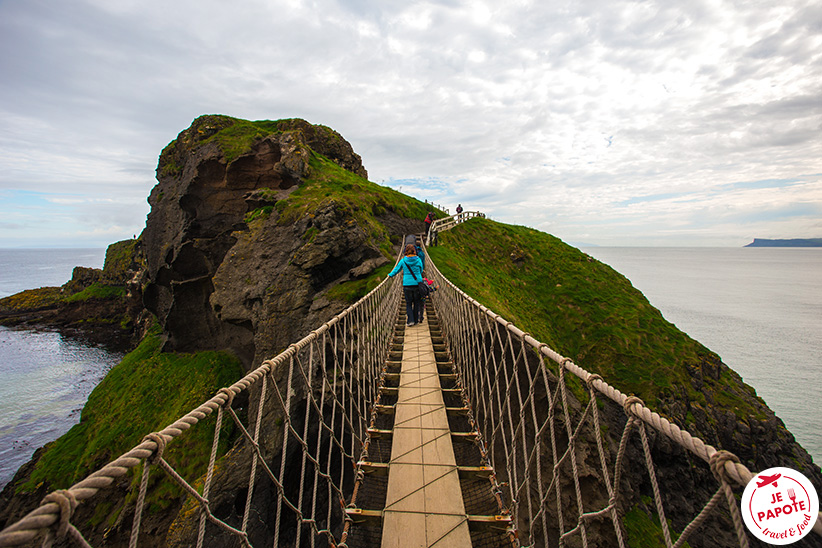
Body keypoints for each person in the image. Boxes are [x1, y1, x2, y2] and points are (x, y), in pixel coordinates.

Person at [388, 244, 424, 327]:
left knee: (408, 303)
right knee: (416, 303)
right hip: (417, 284)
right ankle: (415, 320)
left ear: (406, 251)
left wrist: (390, 275)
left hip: (407, 284)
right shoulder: (418, 260)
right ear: (414, 251)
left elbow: (397, 269)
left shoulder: (403, 261)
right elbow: (421, 270)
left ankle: (410, 321)